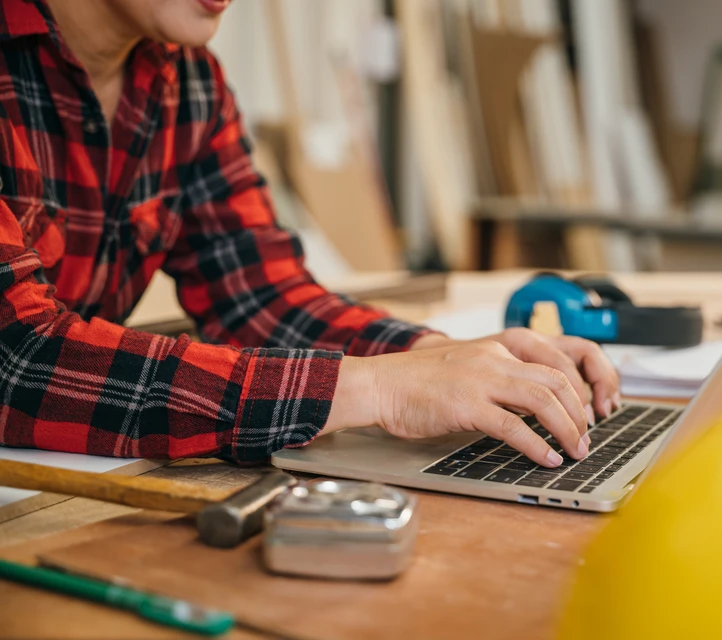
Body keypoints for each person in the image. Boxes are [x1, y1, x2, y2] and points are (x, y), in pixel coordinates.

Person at [0, 0, 619, 470]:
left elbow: (262, 299)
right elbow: (15, 357)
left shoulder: (188, 81)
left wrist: (437, 355)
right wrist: (378, 388)